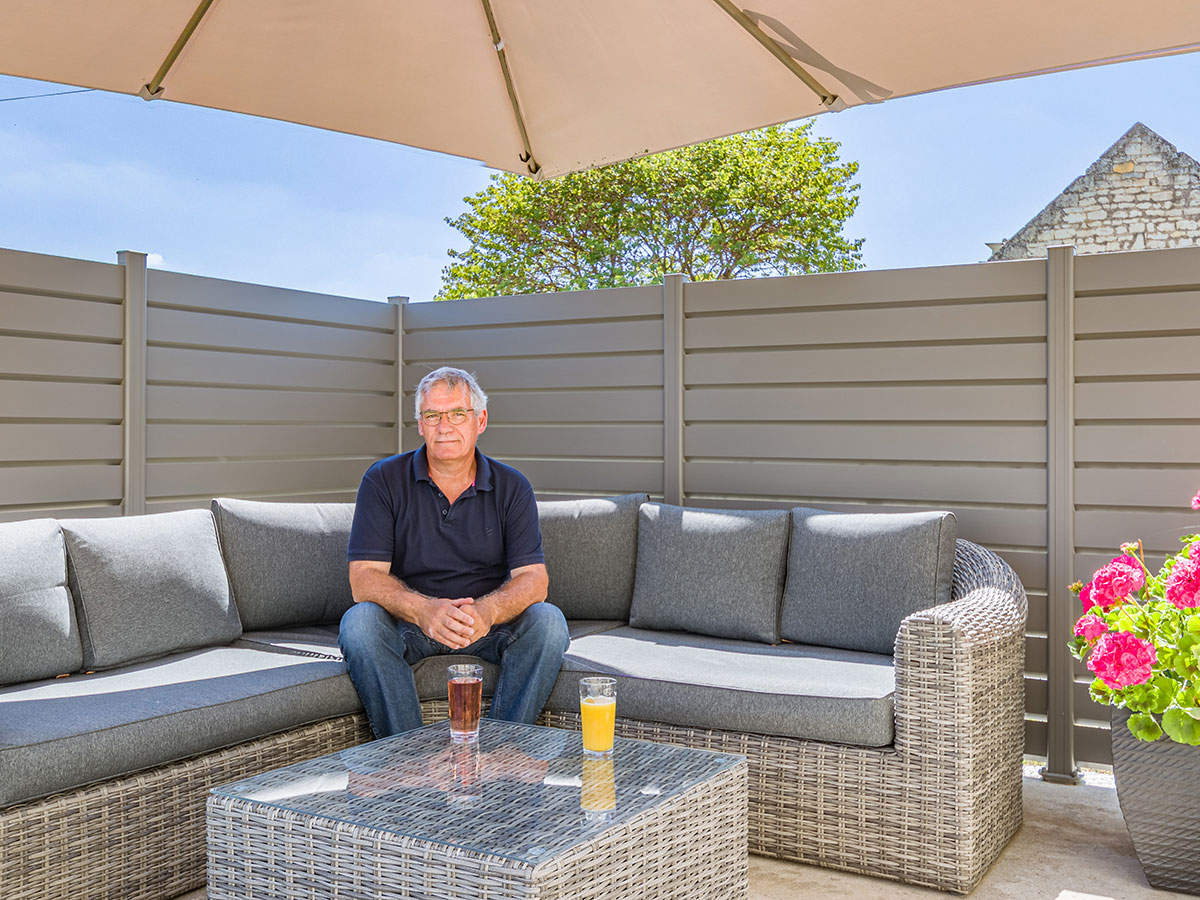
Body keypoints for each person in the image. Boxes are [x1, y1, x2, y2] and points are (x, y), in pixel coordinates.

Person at [339, 366, 569, 739]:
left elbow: (534, 580)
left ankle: (500, 750)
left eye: (457, 414)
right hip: (410, 624)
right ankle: (407, 754)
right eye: (432, 415)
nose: (444, 426)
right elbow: (363, 578)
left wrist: (487, 611)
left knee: (548, 622)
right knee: (360, 623)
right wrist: (424, 610)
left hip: (487, 626)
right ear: (420, 424)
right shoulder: (382, 480)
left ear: (480, 420)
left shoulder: (512, 486)